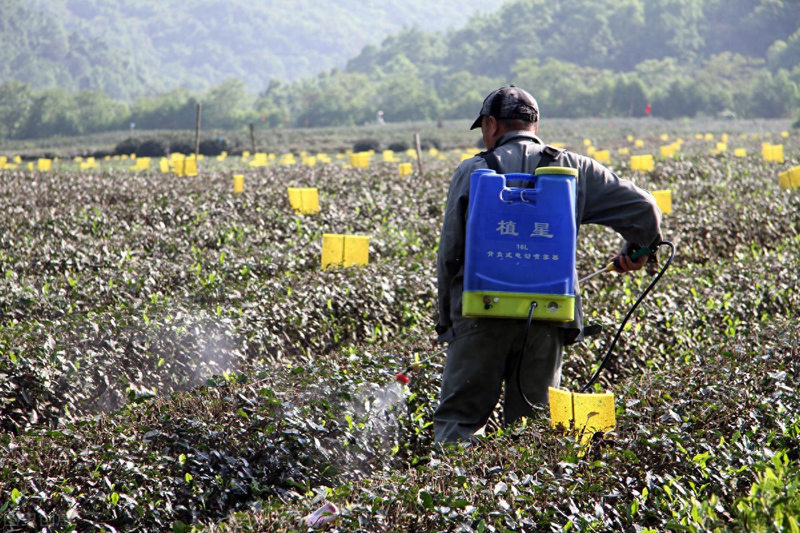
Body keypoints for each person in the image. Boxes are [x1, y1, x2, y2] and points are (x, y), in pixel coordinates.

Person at [434, 86, 662, 443]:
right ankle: (526, 496)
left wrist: (447, 320)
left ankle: (461, 496)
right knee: (533, 432)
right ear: (535, 125)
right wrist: (639, 249)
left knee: (459, 422)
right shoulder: (573, 167)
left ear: (492, 124)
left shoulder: (473, 170)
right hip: (547, 318)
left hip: (479, 313)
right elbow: (645, 207)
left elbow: (450, 252)